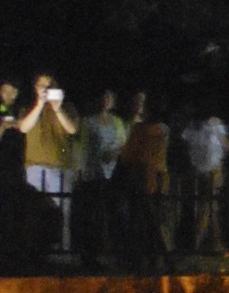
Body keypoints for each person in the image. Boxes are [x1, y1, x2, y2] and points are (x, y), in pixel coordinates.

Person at [12, 76, 80, 254]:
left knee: (62, 210)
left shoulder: (67, 107)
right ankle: (36, 251)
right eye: (42, 85)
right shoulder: (28, 108)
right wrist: (39, 105)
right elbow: (23, 127)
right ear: (35, 88)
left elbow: (72, 129)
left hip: (60, 166)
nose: (46, 89)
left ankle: (62, 251)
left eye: (50, 86)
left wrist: (58, 109)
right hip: (35, 166)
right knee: (36, 211)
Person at [72, 90, 128, 269]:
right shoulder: (88, 121)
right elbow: (83, 147)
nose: (105, 101)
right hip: (93, 171)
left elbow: (123, 143)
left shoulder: (117, 122)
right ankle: (92, 254)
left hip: (113, 171)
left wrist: (115, 153)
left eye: (109, 98)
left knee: (112, 212)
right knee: (93, 214)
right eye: (102, 97)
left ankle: (114, 252)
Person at [180, 109, 229, 251]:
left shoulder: (206, 124)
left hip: (206, 168)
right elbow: (224, 143)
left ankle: (205, 242)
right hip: (205, 168)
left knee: (209, 203)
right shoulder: (198, 125)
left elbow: (223, 143)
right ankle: (209, 242)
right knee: (209, 204)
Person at [118, 91, 173, 266]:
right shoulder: (164, 130)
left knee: (141, 220)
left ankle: (144, 257)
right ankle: (160, 257)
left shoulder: (140, 130)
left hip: (141, 179)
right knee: (158, 220)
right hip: (159, 179)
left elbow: (128, 155)